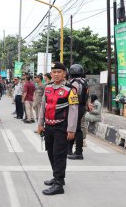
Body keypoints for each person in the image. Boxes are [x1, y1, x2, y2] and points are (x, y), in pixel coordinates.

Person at [37, 62, 79, 195]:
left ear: (64, 73)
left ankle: (59, 184)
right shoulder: (48, 87)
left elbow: (74, 110)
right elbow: (43, 106)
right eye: (54, 72)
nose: (56, 74)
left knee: (58, 155)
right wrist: (40, 123)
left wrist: (71, 129)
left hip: (62, 127)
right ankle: (57, 177)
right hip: (48, 126)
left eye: (59, 72)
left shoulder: (70, 89)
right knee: (50, 152)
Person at [67, 64, 89, 160]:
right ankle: (70, 150)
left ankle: (78, 152)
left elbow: (72, 98)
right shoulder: (84, 82)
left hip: (75, 107)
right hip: (82, 107)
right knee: (76, 128)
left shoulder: (73, 83)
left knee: (74, 129)